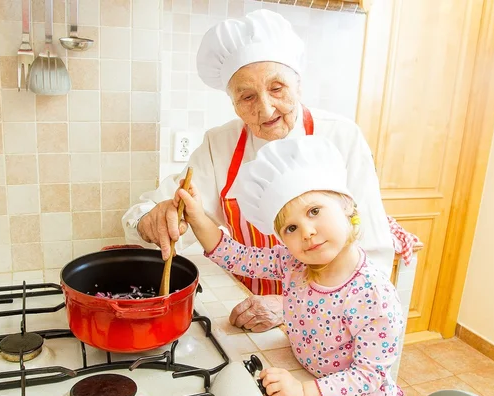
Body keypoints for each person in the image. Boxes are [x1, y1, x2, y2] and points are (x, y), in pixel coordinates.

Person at [122, 9, 393, 334]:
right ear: (232, 103)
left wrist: (290, 303)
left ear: (298, 84)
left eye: (277, 88)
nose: (265, 109)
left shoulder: (341, 137)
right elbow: (157, 212)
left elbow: (374, 249)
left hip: (332, 321)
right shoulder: (218, 145)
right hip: (245, 312)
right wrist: (152, 219)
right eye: (247, 96)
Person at [174, 135, 413, 396]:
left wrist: (301, 393)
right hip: (310, 381)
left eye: (315, 211)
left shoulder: (374, 294)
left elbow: (367, 377)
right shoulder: (293, 264)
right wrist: (196, 216)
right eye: (291, 228)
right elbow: (234, 255)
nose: (308, 233)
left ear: (347, 208)